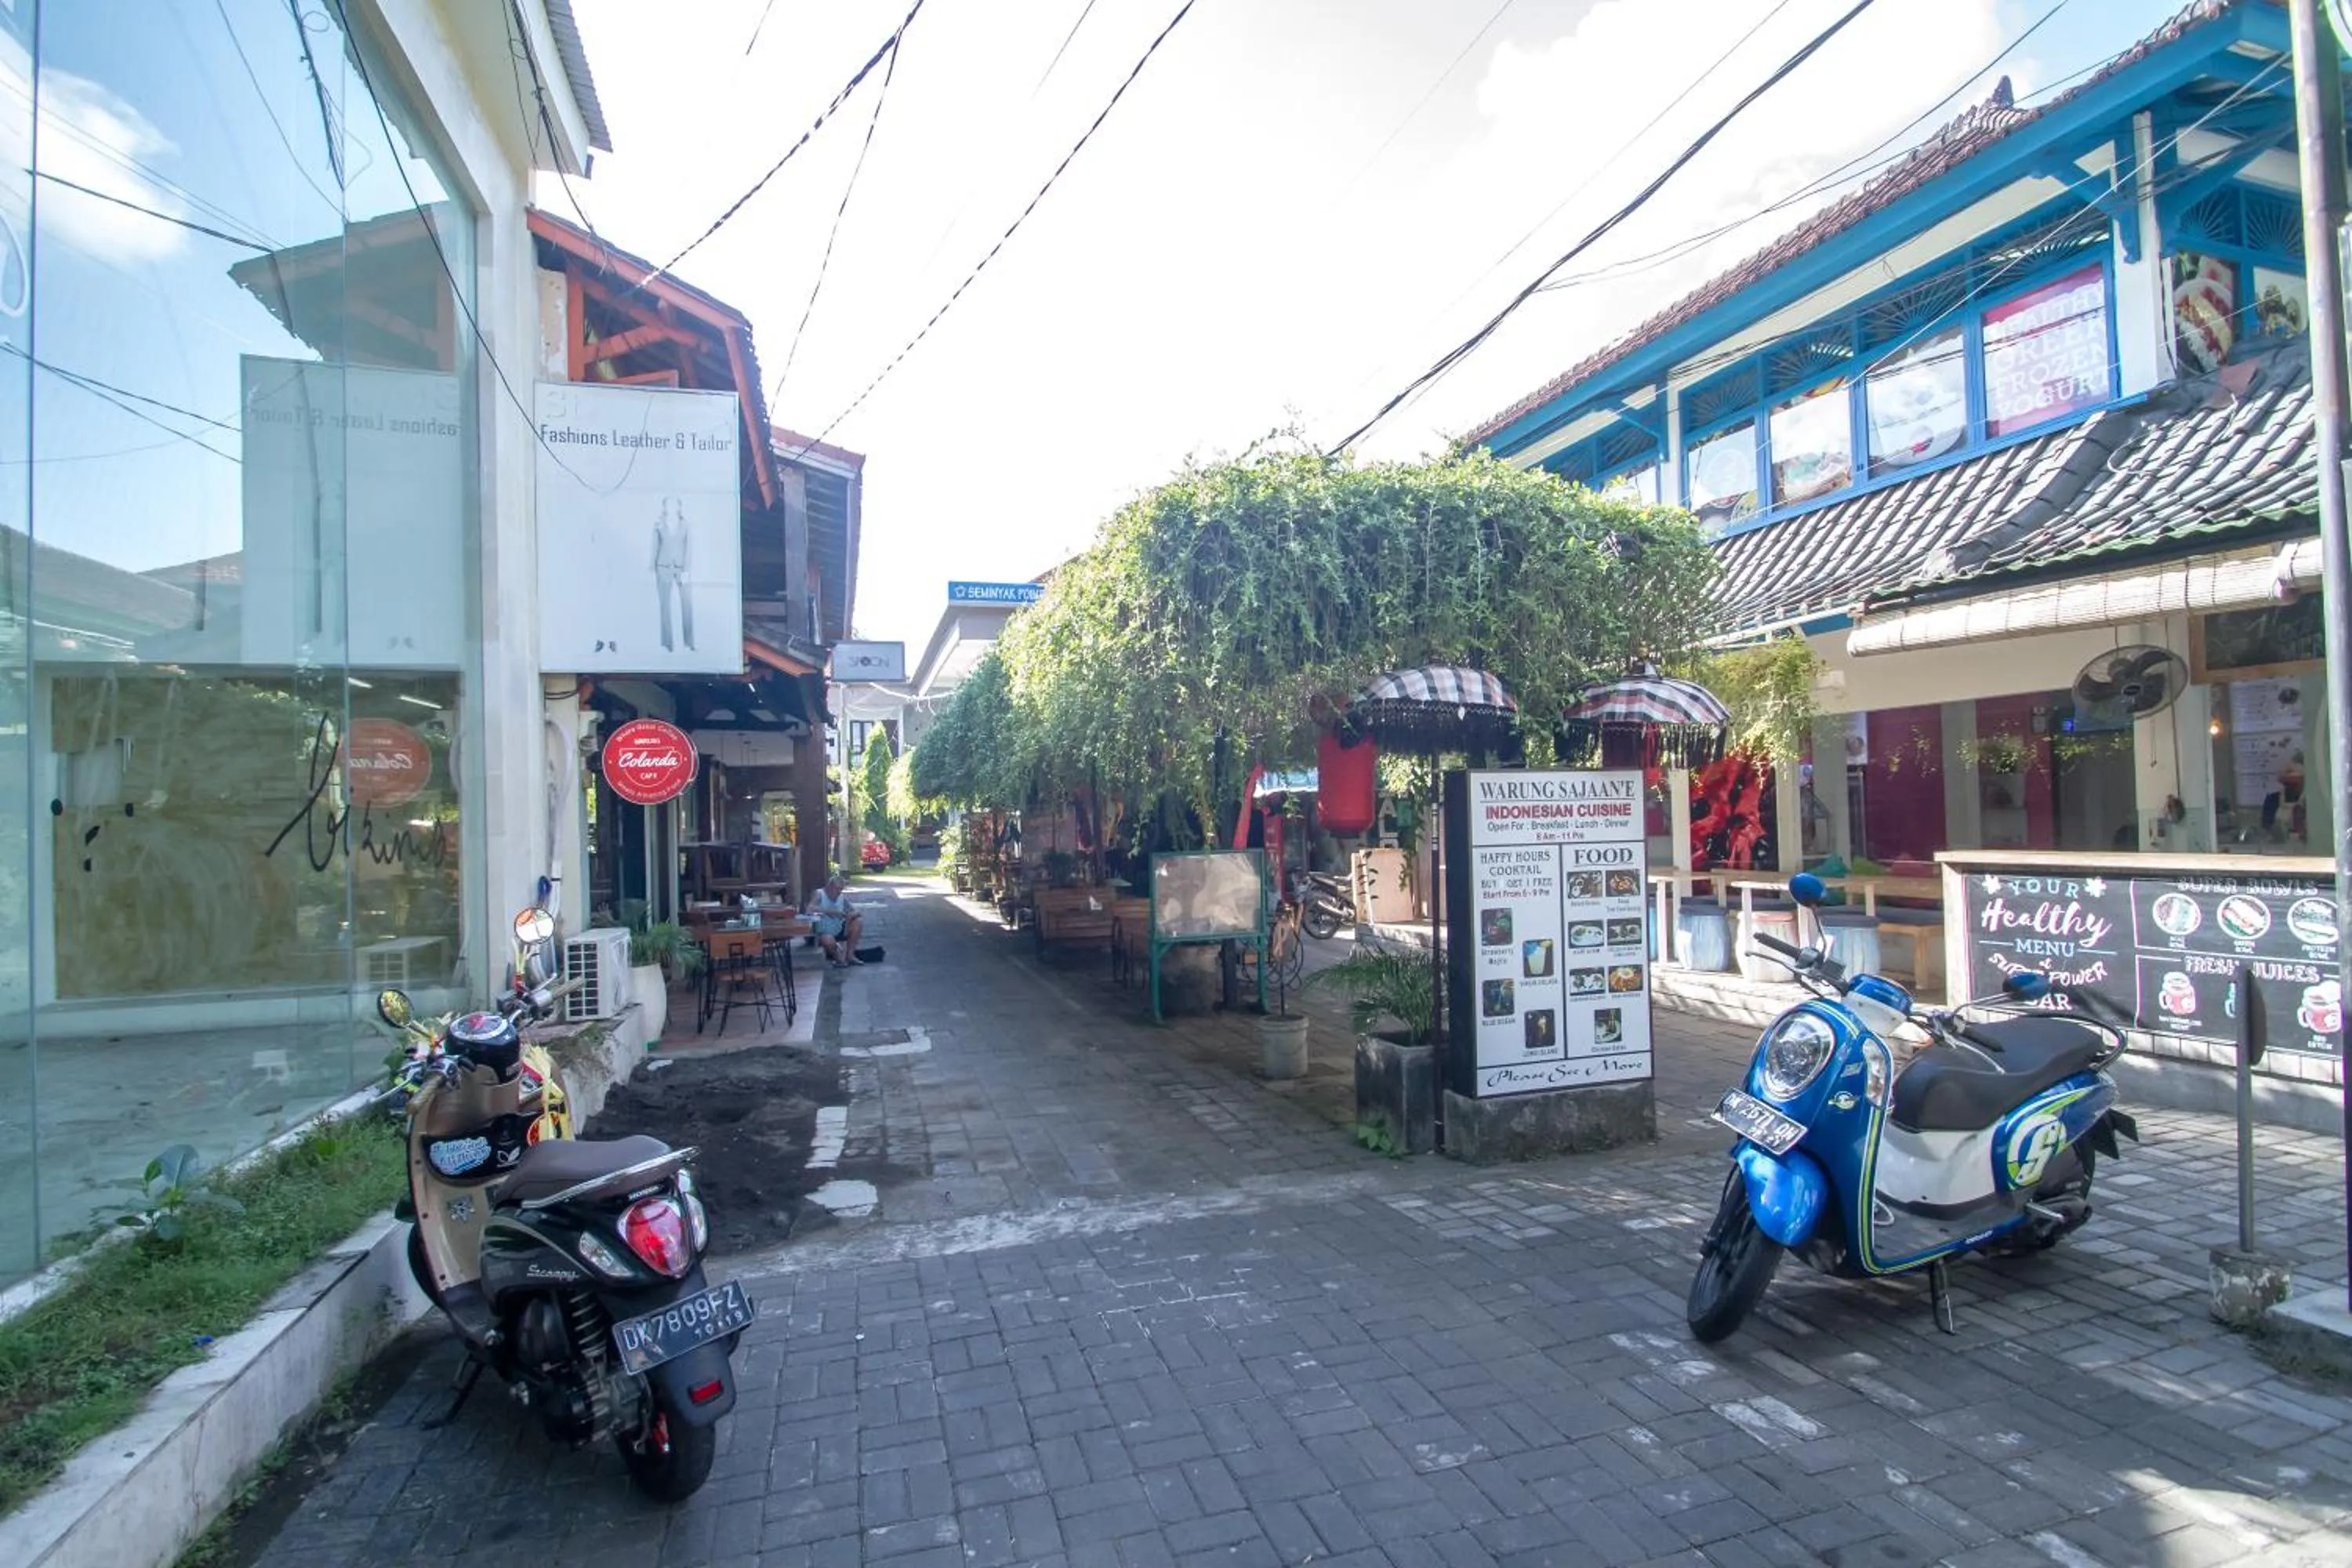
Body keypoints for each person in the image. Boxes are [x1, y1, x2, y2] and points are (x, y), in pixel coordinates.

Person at [807, 873, 864, 967]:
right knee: (827, 940)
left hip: (839, 928)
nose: (839, 892)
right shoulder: (819, 894)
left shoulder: (841, 897)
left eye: (841, 890)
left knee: (858, 922)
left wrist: (849, 916)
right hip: (823, 931)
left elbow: (856, 911)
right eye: (837, 889)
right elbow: (809, 909)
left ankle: (850, 955)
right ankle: (839, 959)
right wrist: (830, 912)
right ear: (830, 887)